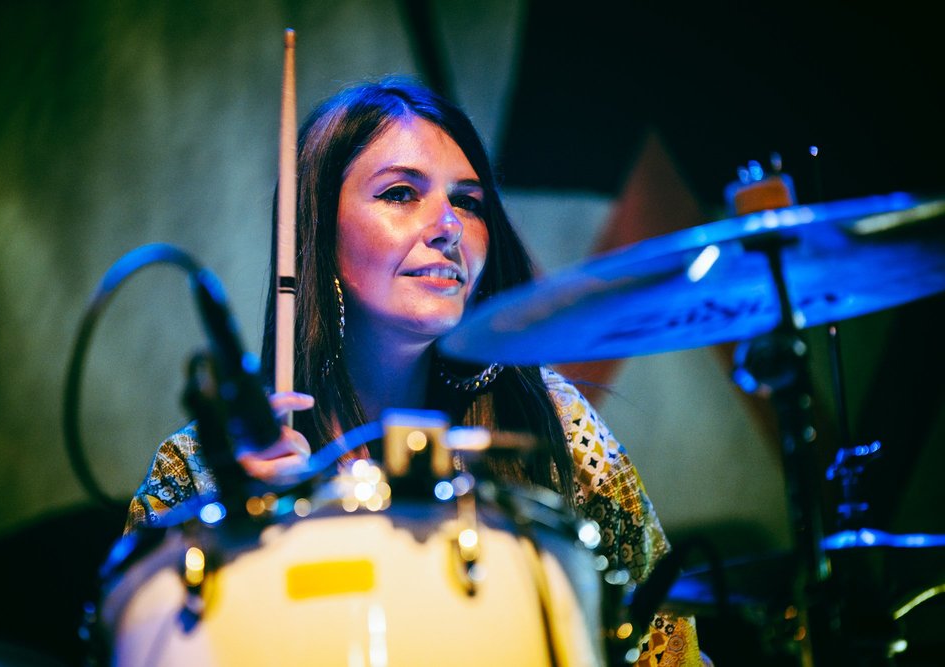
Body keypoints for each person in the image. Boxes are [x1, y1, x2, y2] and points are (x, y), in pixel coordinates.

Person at [125, 77, 707, 665]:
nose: (449, 225)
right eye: (402, 193)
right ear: (318, 233)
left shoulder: (552, 420)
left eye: (468, 202)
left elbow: (670, 647)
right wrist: (239, 547)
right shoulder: (200, 471)